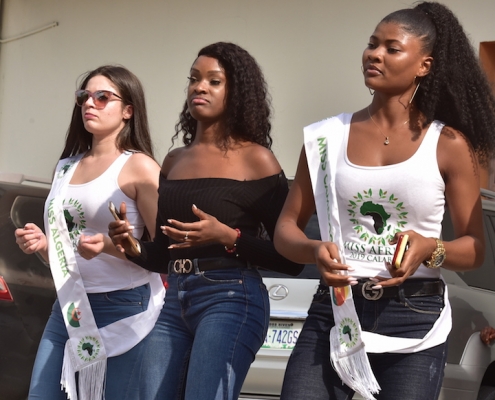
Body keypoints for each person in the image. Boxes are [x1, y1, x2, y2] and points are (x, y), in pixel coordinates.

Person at [273, 2, 495, 400]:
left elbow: (475, 248)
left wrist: (431, 248)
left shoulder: (448, 145)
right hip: (336, 310)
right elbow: (286, 229)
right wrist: (313, 249)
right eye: (372, 44)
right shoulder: (324, 138)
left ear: (424, 65)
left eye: (392, 48)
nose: (374, 54)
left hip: (415, 318)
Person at [109, 42, 303, 400]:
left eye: (214, 81)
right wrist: (131, 246)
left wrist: (229, 236)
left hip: (230, 297)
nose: (200, 87)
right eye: (194, 79)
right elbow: (164, 254)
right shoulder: (174, 161)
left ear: (237, 92)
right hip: (175, 298)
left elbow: (291, 260)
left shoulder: (257, 160)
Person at [14, 65, 164, 400]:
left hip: (124, 305)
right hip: (70, 306)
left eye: (103, 97)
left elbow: (164, 253)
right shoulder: (65, 167)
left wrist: (110, 245)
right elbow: (65, 253)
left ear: (128, 110)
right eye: (84, 96)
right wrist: (42, 244)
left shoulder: (139, 166)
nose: (89, 104)